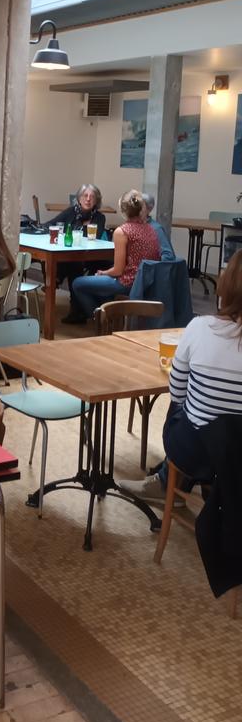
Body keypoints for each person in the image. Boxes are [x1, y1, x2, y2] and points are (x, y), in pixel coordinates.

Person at [120, 250, 242, 505]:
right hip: (236, 456)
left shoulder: (199, 328)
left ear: (226, 284)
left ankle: (169, 482)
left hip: (196, 453)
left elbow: (177, 393)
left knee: (181, 406)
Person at [67, 189, 160, 322]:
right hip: (147, 282)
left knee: (78, 283)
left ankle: (100, 320)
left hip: (128, 282)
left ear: (123, 210)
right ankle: (111, 316)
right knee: (99, 284)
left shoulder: (122, 231)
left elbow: (118, 270)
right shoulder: (151, 229)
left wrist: (103, 273)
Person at [50, 184, 107, 308]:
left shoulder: (100, 217)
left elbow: (94, 236)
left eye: (92, 197)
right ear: (79, 198)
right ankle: (76, 310)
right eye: (85, 196)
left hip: (90, 256)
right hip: (71, 255)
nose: (88, 199)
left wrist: (74, 230)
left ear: (96, 200)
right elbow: (51, 224)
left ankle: (57, 280)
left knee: (73, 264)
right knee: (71, 263)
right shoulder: (70, 212)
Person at [141, 192, 177, 261]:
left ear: (149, 209)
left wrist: (149, 261)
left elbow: (169, 255)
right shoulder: (129, 227)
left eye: (140, 207)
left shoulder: (156, 229)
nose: (136, 210)